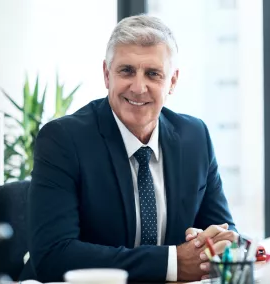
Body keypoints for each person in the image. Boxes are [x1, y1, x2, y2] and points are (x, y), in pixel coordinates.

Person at [20, 14, 238, 283]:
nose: (138, 87)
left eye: (153, 74)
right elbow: (53, 255)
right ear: (106, 74)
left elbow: (225, 232)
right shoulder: (63, 139)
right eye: (126, 71)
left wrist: (212, 242)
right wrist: (171, 263)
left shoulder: (195, 137)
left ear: (172, 82)